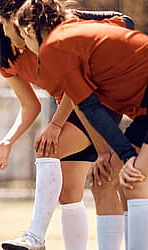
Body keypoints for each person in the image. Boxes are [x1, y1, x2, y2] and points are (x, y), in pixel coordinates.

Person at [0, 1, 132, 249]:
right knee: (70, 194)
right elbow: (30, 106)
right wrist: (8, 141)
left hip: (96, 99)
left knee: (47, 148)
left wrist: (55, 125)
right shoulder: (5, 61)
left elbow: (79, 79)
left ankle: (35, 235)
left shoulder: (37, 38)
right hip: (72, 104)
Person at [14, 0, 148, 249]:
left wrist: (127, 155)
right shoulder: (71, 29)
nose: (23, 46)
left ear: (31, 31)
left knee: (134, 180)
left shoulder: (54, 46)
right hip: (144, 110)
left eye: (22, 36)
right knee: (109, 177)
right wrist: (117, 154)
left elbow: (89, 107)